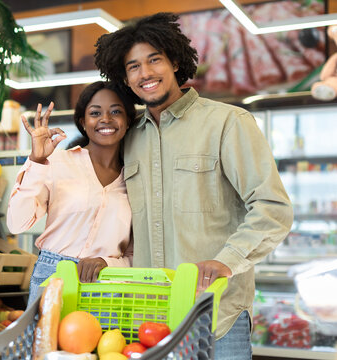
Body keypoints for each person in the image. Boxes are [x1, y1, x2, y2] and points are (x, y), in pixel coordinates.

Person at [94, 13, 294, 359]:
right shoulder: (129, 138)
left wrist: (226, 261)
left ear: (174, 61)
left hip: (218, 314)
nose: (145, 73)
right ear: (125, 78)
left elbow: (271, 208)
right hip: (150, 317)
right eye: (133, 66)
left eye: (154, 59)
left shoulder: (228, 123)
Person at [6, 81, 137, 306]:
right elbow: (16, 224)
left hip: (109, 287)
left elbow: (137, 253)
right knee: (46, 342)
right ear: (83, 123)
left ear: (127, 122)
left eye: (116, 111)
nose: (106, 119)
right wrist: (36, 161)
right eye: (95, 113)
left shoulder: (135, 179)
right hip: (53, 277)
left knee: (106, 343)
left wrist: (107, 263)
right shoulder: (57, 162)